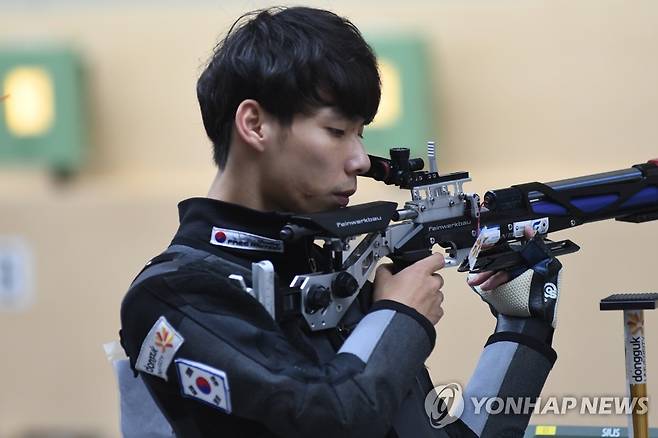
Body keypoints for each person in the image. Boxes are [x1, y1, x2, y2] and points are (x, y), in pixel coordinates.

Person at [119, 7, 562, 437]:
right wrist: (401, 316)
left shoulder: (325, 272)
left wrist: (521, 324)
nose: (359, 159)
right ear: (255, 124)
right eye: (336, 131)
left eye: (361, 133)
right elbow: (333, 417)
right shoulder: (173, 293)